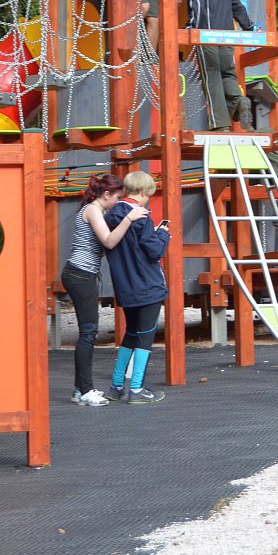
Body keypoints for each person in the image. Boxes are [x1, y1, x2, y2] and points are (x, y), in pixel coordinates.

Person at [60, 173, 150, 406]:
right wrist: (129, 218)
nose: (118, 202)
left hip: (82, 274)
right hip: (80, 274)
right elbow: (109, 241)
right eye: (117, 197)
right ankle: (85, 390)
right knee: (88, 332)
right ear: (107, 194)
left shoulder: (96, 211)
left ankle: (79, 389)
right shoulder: (93, 210)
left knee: (88, 331)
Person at [103, 170, 171, 405]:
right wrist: (163, 234)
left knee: (131, 334)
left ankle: (116, 386)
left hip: (125, 286)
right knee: (145, 337)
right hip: (147, 286)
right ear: (142, 192)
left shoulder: (112, 215)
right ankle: (136, 388)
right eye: (148, 195)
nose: (148, 199)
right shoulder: (141, 216)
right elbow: (154, 251)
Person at [182, 0, 254, 132]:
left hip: (206, 35)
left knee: (211, 77)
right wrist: (249, 26)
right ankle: (238, 101)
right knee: (227, 74)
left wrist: (190, 28)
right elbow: (235, 3)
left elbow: (197, 6)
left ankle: (220, 124)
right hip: (227, 35)